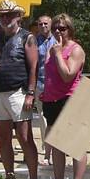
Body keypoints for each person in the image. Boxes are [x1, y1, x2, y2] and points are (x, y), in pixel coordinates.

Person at [0, 0, 40, 179]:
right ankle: (9, 177)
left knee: (24, 137)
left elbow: (33, 66)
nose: (5, 18)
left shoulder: (27, 38)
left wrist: (30, 93)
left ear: (18, 17)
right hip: (0, 91)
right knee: (3, 138)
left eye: (9, 15)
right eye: (2, 15)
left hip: (18, 91)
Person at [40, 14, 86, 179]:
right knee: (56, 144)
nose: (58, 31)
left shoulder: (75, 50)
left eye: (62, 28)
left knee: (75, 144)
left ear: (70, 30)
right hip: (51, 99)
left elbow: (68, 74)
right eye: (55, 28)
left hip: (70, 98)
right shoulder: (52, 48)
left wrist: (59, 54)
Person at [34, 16, 57, 165]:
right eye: (40, 24)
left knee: (55, 118)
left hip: (55, 84)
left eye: (45, 24)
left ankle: (54, 147)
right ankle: (45, 146)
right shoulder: (34, 41)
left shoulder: (57, 40)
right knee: (42, 117)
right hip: (39, 83)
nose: (43, 26)